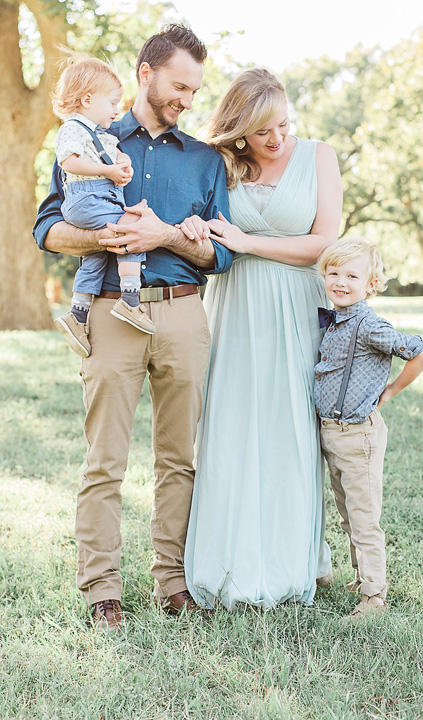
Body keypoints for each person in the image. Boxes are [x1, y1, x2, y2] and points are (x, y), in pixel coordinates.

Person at [33, 25, 233, 632]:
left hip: (182, 313)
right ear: (145, 74)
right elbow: (47, 229)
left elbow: (222, 253)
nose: (188, 100)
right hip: (109, 312)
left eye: (195, 90)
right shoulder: (87, 139)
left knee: (179, 458)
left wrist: (166, 234)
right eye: (179, 86)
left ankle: (172, 583)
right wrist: (106, 236)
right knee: (105, 459)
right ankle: (103, 591)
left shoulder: (205, 160)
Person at [183, 69, 343, 610]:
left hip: (297, 306)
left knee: (290, 429)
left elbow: (324, 243)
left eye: (283, 124)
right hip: (235, 305)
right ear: (238, 129)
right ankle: (227, 562)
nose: (276, 138)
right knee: (230, 424)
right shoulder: (216, 162)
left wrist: (247, 241)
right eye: (261, 130)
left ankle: (289, 561)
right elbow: (199, 229)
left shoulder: (319, 157)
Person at [314, 237, 423, 618]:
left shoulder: (369, 326)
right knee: (348, 514)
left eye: (352, 276)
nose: (340, 282)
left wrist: (392, 389)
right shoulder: (335, 320)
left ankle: (375, 597)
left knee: (364, 519)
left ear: (371, 285)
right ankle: (360, 578)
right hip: (332, 433)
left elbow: (421, 353)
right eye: (334, 273)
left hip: (358, 436)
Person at [51, 55, 157, 357]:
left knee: (96, 255)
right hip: (85, 197)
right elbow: (69, 162)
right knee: (132, 228)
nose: (117, 109)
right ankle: (130, 299)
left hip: (99, 198)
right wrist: (107, 171)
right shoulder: (73, 128)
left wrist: (122, 161)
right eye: (112, 102)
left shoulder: (101, 134)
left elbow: (115, 154)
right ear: (87, 99)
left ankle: (78, 314)